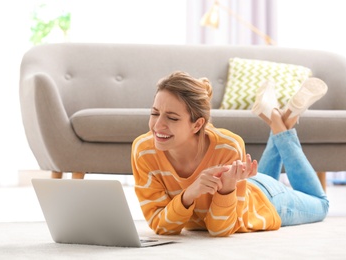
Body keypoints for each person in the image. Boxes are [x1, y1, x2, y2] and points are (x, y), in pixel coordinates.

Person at [131, 71, 329, 237]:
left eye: (172, 118)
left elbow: (220, 229)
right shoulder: (144, 150)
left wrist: (226, 188)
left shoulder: (228, 146)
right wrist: (191, 192)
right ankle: (279, 117)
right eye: (155, 113)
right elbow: (161, 226)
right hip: (243, 182)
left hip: (264, 201)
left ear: (198, 124)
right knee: (258, 177)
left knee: (321, 204)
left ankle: (277, 121)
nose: (157, 126)